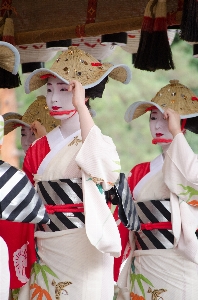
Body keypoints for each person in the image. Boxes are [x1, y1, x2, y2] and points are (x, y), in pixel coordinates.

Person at [17, 46, 132, 300]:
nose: (53, 99)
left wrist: (80, 107)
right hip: (47, 245)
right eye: (49, 90)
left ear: (84, 94)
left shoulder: (98, 141)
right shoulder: (39, 148)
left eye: (64, 90)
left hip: (84, 244)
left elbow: (105, 172)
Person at [117, 80, 198, 300]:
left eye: (166, 119)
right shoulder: (140, 172)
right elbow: (126, 222)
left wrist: (176, 134)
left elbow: (190, 181)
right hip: (145, 261)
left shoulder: (194, 167)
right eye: (153, 118)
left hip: (179, 262)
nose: (158, 125)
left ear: (182, 123)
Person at [1, 96, 60, 292]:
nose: (26, 141)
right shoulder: (16, 176)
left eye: (32, 133)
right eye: (23, 134)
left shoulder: (60, 174)